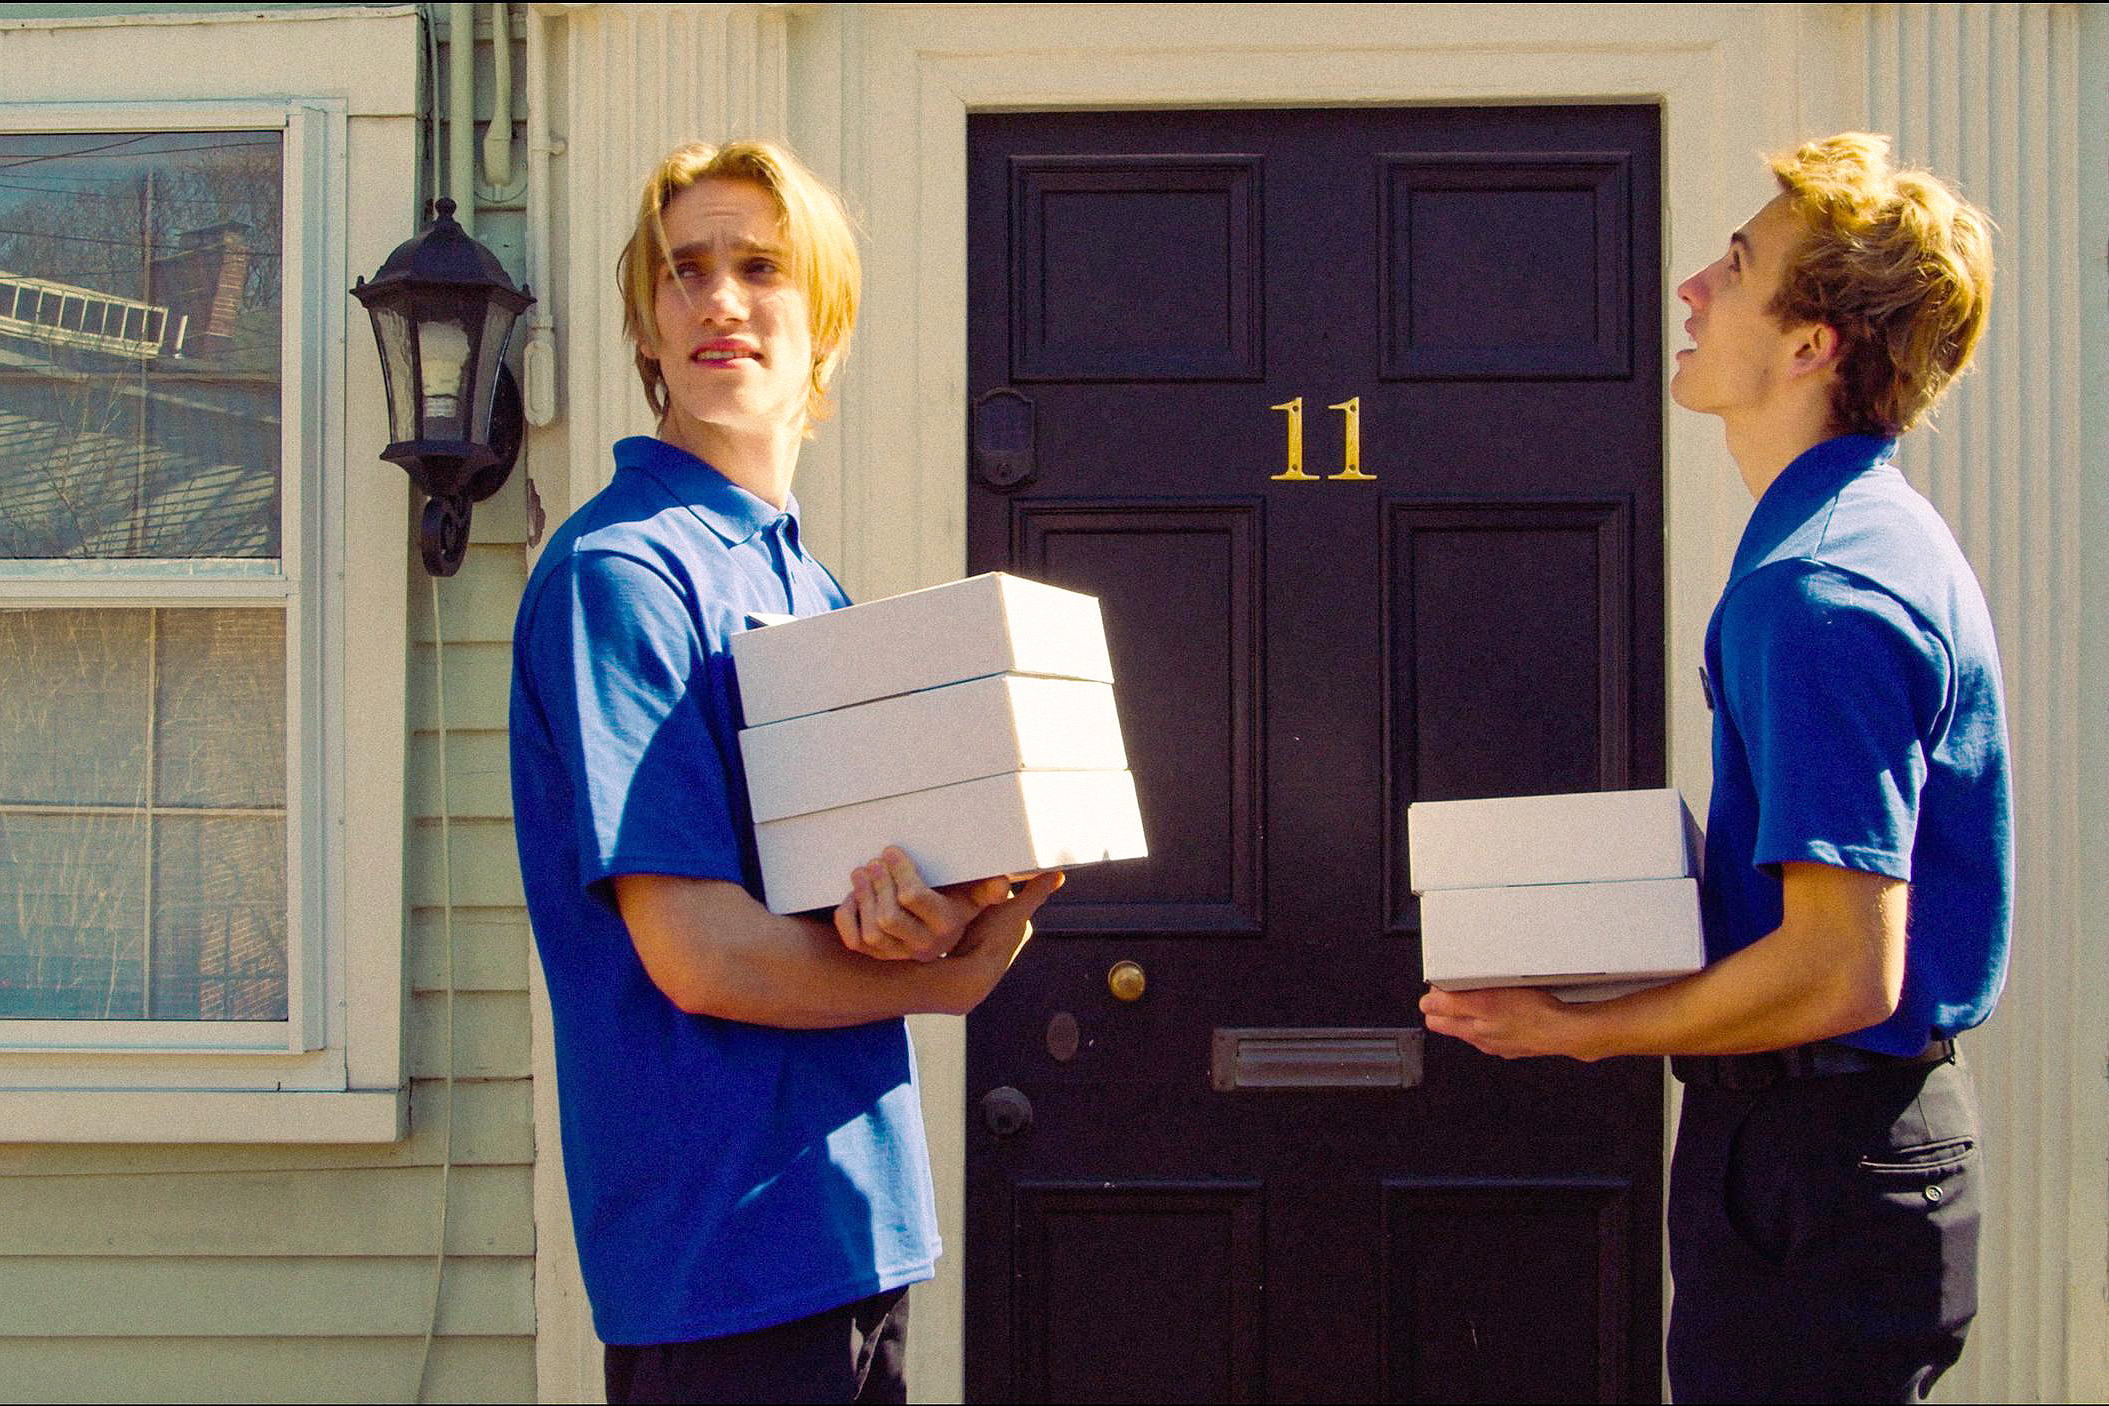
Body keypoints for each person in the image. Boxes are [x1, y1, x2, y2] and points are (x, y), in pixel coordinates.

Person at [1420, 132, 2008, 1403]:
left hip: (1818, 1160)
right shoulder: (1846, 537)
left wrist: (1578, 1033)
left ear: (1811, 345)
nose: (1691, 287)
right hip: (1838, 1147)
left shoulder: (1819, 586)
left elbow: (1845, 964)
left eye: (1737, 269)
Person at [508, 138, 1062, 1405]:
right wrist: (942, 979)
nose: (718, 299)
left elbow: (858, 908)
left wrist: (963, 903)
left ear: (823, 323)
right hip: (722, 1260)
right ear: (647, 330)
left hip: (847, 1229)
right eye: (682, 271)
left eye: (760, 266)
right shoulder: (626, 575)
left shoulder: (801, 584)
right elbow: (701, 952)